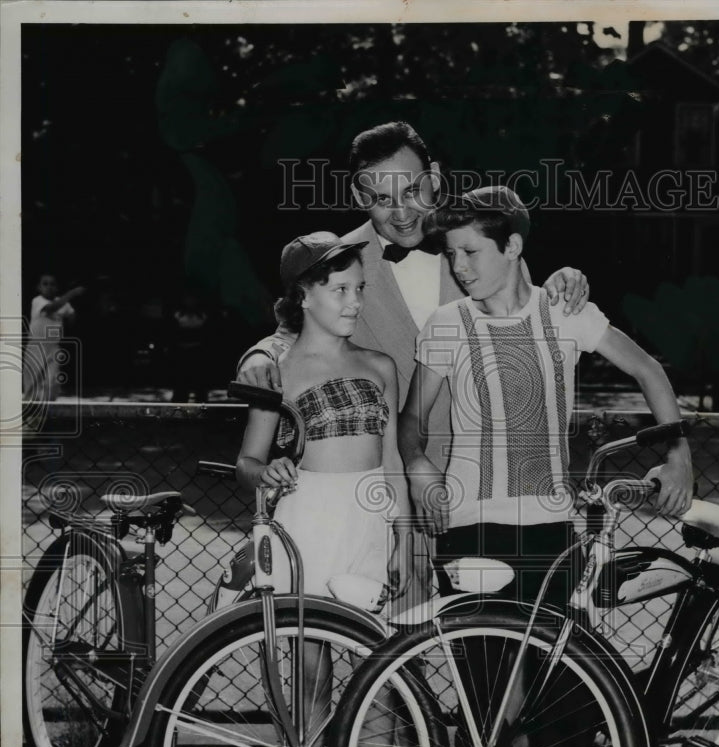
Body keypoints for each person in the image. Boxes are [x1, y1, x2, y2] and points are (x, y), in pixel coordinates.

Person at [399, 186, 694, 747]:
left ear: (512, 248)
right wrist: (417, 467)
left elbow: (648, 369)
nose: (459, 265)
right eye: (450, 253)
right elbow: (413, 419)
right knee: (484, 690)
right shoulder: (444, 324)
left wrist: (675, 450)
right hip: (470, 530)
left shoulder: (564, 313)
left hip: (551, 533)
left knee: (563, 693)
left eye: (471, 250)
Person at [235, 121, 590, 607]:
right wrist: (259, 356)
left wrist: (566, 282)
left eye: (412, 189)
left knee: (506, 646)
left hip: (493, 492)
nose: (400, 212)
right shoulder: (343, 264)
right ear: (360, 196)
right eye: (381, 197)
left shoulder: (483, 241)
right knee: (395, 656)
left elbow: (529, 315)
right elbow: (293, 328)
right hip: (391, 493)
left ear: (436, 178)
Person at [236, 231, 412, 747]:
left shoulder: (379, 367)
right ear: (302, 296)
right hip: (310, 524)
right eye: (338, 290)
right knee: (313, 681)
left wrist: (403, 534)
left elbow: (391, 461)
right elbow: (249, 462)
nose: (353, 302)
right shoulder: (277, 370)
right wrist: (270, 474)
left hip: (370, 529)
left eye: (359, 290)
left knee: (383, 679)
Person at [24, 274, 84, 402]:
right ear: (39, 287)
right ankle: (29, 412)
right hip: (36, 346)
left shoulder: (63, 303)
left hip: (53, 347)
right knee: (32, 385)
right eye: (45, 284)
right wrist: (72, 293)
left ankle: (50, 410)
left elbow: (71, 320)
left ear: (57, 288)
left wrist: (71, 314)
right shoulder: (37, 300)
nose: (49, 287)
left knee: (53, 381)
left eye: (52, 284)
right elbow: (51, 308)